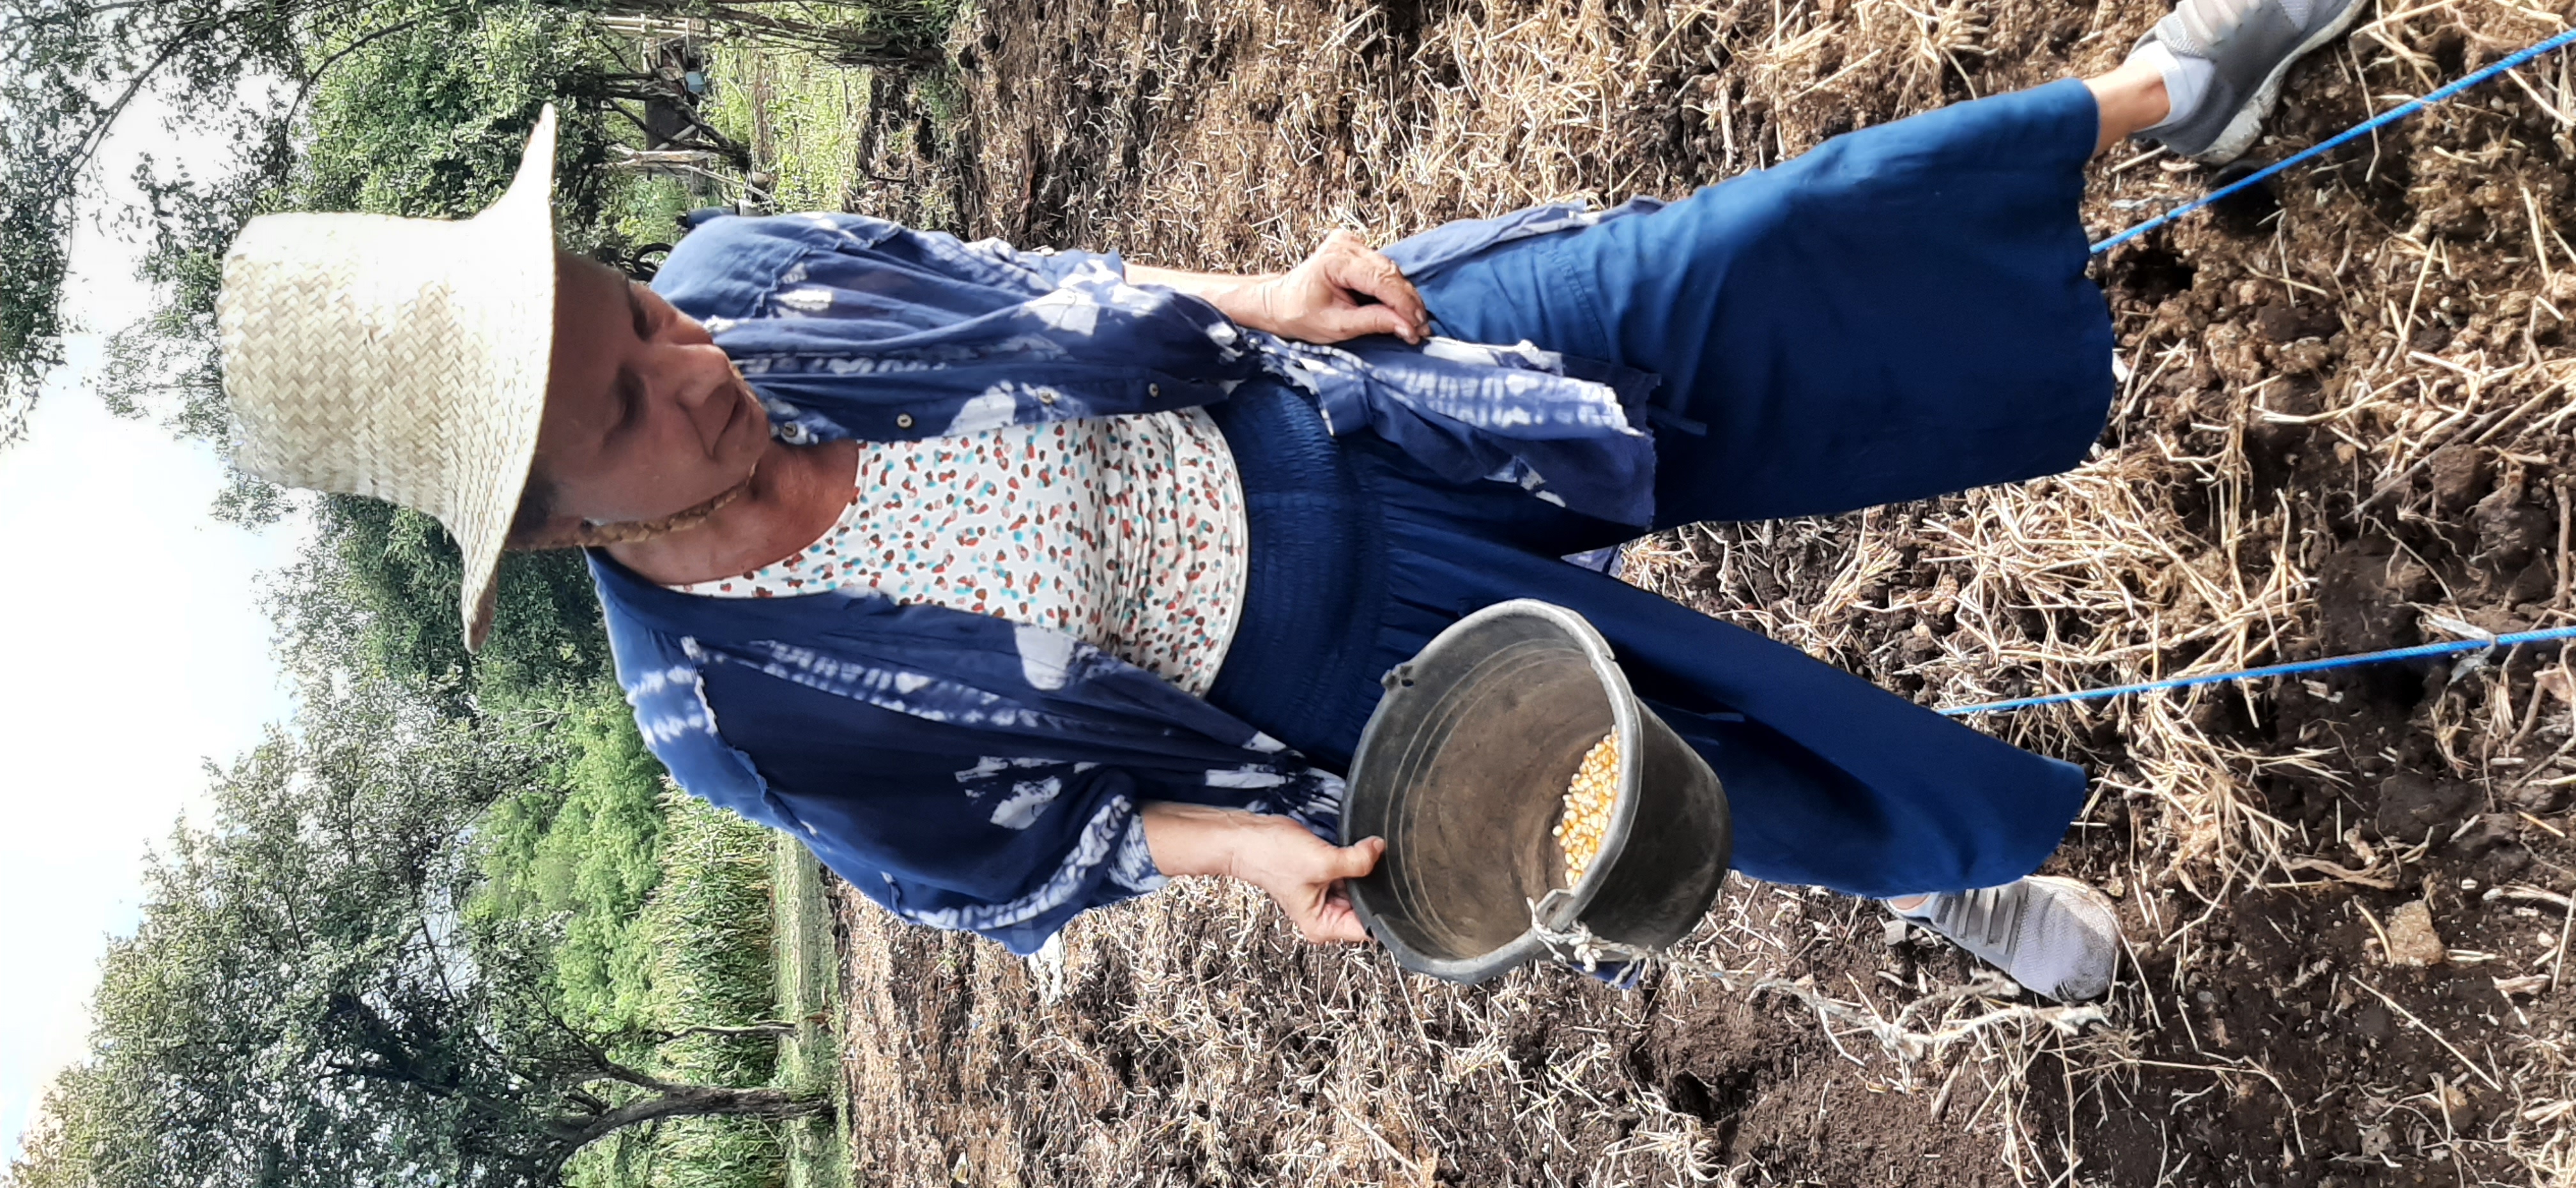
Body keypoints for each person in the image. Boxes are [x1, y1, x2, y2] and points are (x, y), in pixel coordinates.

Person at [211, 0, 2357, 1003]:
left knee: (1733, 267)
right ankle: (1941, 869)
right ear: (555, 525)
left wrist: (1263, 289)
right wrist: (1243, 850)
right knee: (1671, 764)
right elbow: (992, 856)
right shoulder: (723, 710)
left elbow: (1027, 291)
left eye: (634, 310)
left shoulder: (746, 273)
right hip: (1319, 657)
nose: (692, 360)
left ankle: (2163, 92)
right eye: (626, 402)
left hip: (1319, 395)